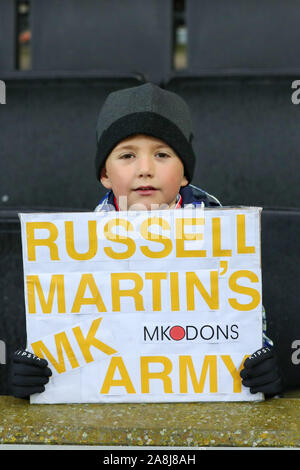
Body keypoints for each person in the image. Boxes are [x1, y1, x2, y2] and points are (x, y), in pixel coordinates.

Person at [11, 83, 284, 399]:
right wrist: (37, 373)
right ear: (104, 175)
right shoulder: (70, 250)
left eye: (162, 154)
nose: (145, 169)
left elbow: (244, 327)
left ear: (184, 174)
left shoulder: (228, 241)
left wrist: (261, 364)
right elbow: (64, 332)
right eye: (127, 155)